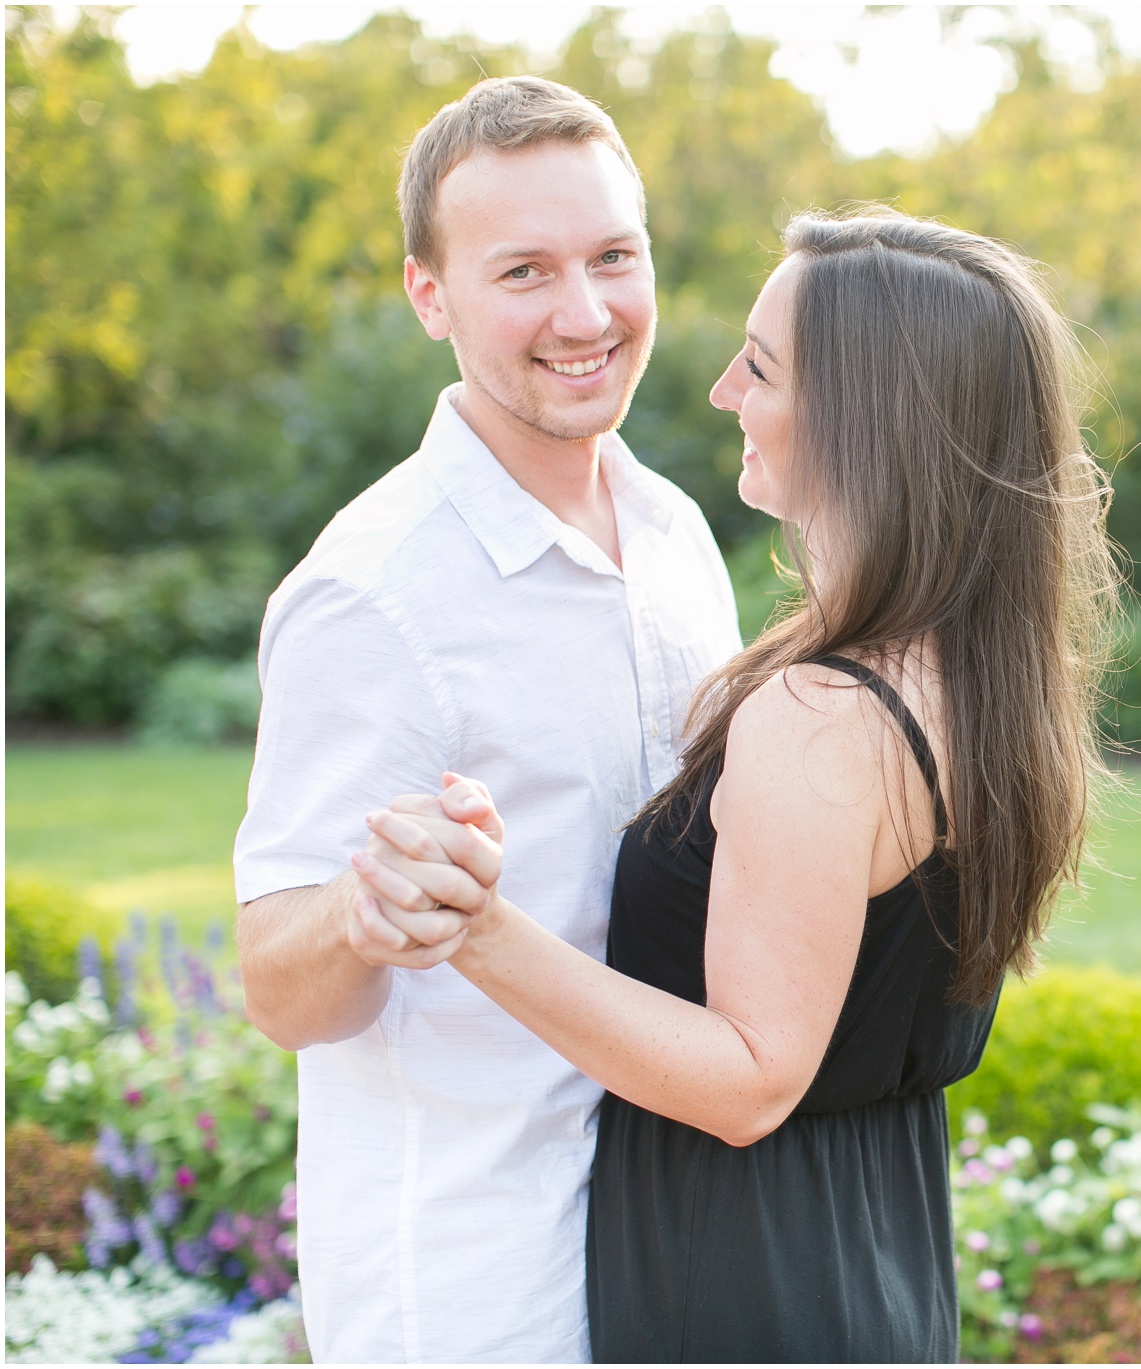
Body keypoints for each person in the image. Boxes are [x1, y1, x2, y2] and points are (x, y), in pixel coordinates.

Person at [352, 207, 1121, 1361]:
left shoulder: (823, 717)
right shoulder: (975, 670)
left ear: (863, 418)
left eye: (758, 366)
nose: (720, 391)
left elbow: (751, 1077)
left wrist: (475, 927)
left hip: (747, 1278)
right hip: (873, 1247)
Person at [232, 77, 740, 1363]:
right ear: (429, 296)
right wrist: (363, 912)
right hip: (473, 1286)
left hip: (676, 1250)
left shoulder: (679, 534)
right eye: (522, 272)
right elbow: (278, 988)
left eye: (612, 258)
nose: (584, 315)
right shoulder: (372, 591)